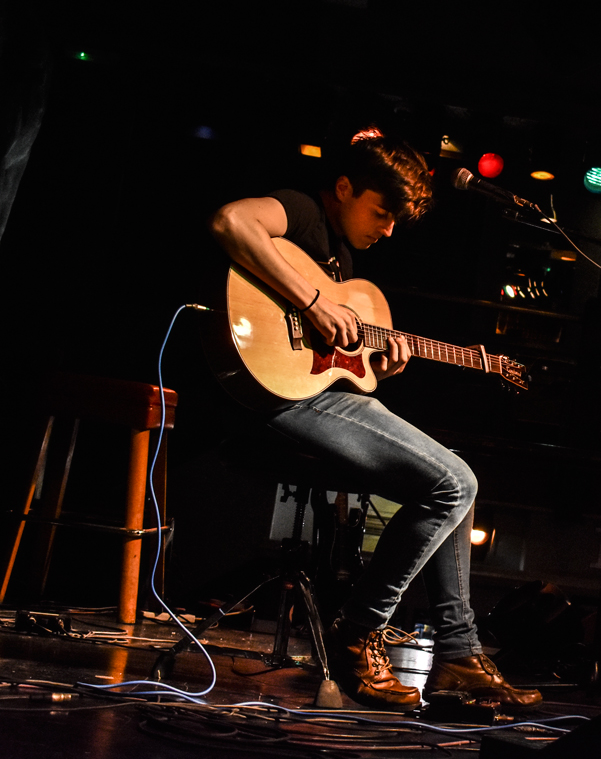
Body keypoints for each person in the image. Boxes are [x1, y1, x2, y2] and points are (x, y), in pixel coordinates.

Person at [208, 127, 541, 712]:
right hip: (273, 403)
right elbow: (232, 221)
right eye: (382, 211)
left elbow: (335, 365)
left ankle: (459, 656)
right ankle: (359, 633)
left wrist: (378, 368)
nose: (388, 229)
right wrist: (311, 303)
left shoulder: (343, 260)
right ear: (343, 187)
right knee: (455, 481)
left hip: (313, 395)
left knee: (454, 483)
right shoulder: (306, 213)